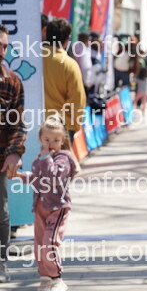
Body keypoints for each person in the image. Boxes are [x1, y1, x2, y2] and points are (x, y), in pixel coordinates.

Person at [18, 116, 78, 291]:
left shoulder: (63, 158)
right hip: (40, 207)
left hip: (57, 207)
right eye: (47, 139)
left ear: (63, 140)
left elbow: (53, 177)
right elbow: (38, 179)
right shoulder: (41, 157)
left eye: (56, 140)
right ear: (40, 138)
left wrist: (45, 157)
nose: (51, 144)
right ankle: (45, 278)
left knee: (49, 242)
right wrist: (21, 176)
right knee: (39, 245)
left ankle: (57, 279)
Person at [0, 24, 27, 283]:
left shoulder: (12, 81)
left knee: (1, 212)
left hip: (0, 158)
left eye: (5, 46)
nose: (2, 51)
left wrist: (15, 153)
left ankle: (0, 263)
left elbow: (18, 123)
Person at [42, 19, 86, 142]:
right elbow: (77, 99)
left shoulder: (33, 60)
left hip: (36, 123)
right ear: (68, 39)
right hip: (62, 126)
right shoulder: (70, 64)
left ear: (46, 33)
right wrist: (75, 126)